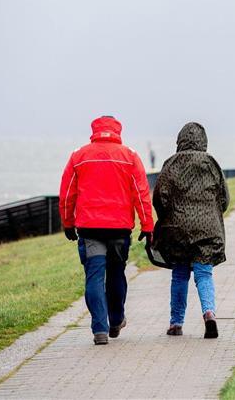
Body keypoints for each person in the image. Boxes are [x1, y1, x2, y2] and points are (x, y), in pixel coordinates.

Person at [59, 116, 154, 345]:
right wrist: (147, 225)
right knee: (116, 273)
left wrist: (67, 222)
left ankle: (99, 330)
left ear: (94, 130)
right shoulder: (129, 156)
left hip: (90, 228)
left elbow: (67, 193)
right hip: (119, 229)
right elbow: (141, 194)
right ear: (117, 131)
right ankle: (116, 319)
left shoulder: (79, 156)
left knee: (94, 275)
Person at [152, 122, 229, 339]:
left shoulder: (171, 163)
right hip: (207, 226)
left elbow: (159, 197)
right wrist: (214, 212)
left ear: (180, 140)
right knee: (204, 273)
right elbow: (224, 197)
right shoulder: (211, 163)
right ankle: (209, 313)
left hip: (177, 228)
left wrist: (165, 217)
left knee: (179, 275)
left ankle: (176, 322)